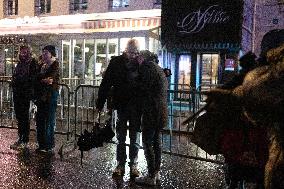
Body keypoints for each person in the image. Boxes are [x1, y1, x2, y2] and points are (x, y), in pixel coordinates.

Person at [96, 39, 141, 178]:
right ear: (125, 50)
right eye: (130, 52)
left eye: (135, 52)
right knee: (121, 136)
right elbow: (106, 82)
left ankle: (133, 163)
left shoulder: (141, 63)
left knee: (134, 136)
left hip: (136, 105)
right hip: (122, 104)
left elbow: (147, 82)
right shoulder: (116, 62)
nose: (132, 55)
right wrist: (100, 101)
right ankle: (120, 163)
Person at [134, 50, 168, 186]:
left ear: (143, 58)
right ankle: (156, 172)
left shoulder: (147, 67)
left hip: (151, 111)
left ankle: (151, 175)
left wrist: (135, 84)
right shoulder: (158, 69)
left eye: (139, 57)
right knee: (156, 142)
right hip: (161, 111)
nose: (137, 60)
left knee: (147, 142)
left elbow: (143, 88)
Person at [10, 45, 38, 150]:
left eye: (25, 52)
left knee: (24, 117)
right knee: (19, 116)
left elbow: (32, 78)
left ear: (29, 52)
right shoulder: (20, 63)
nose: (23, 54)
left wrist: (21, 82)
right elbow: (16, 75)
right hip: (18, 92)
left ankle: (24, 139)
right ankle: (20, 137)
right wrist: (14, 82)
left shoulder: (31, 63)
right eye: (21, 52)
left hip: (25, 93)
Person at [34, 45, 60, 154]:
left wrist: (43, 79)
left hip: (50, 95)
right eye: (43, 52)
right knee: (40, 119)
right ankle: (41, 144)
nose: (44, 54)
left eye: (46, 52)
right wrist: (42, 79)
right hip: (41, 95)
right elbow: (35, 78)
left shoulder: (55, 64)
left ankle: (48, 144)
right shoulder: (41, 65)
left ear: (51, 54)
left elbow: (50, 79)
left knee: (48, 120)